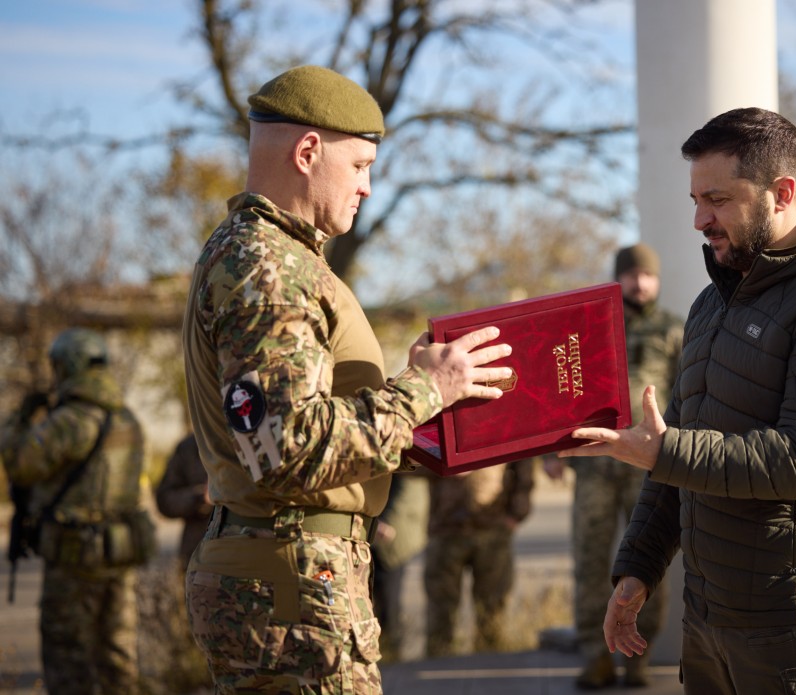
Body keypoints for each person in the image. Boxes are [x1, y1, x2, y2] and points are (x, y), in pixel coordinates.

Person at [181, 64, 513, 694]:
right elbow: (286, 450)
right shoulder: (270, 268)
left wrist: (442, 412)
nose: (366, 188)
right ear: (308, 152)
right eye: (360, 166)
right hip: (293, 583)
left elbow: (303, 432)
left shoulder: (266, 255)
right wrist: (422, 391)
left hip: (291, 572)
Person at [559, 107, 796, 694]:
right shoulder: (711, 305)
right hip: (709, 618)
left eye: (717, 199)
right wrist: (637, 570)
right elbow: (679, 445)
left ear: (782, 193)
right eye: (695, 199)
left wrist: (665, 454)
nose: (699, 220)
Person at [544, 242, 683, 688]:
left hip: (649, 468)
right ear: (618, 278)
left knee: (645, 562)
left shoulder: (676, 331)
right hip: (596, 468)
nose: (640, 283)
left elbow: (686, 399)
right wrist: (552, 451)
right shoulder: (595, 327)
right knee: (589, 557)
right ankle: (595, 655)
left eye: (648, 275)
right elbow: (564, 387)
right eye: (632, 275)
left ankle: (637, 659)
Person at [1, 327, 153, 695]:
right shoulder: (127, 420)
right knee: (117, 657)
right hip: (120, 554)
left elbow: (20, 464)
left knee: (68, 658)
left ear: (68, 367)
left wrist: (18, 419)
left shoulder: (70, 421)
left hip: (74, 560)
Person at [423, 459, 534, 657]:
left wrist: (517, 513)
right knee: (441, 611)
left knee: (492, 610)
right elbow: (408, 461)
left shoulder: (499, 426)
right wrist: (443, 465)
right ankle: (439, 669)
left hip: (493, 528)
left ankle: (489, 670)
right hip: (446, 527)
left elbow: (523, 462)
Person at [371, 471, 429, 662]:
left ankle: (391, 654)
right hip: (381, 533)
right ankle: (387, 651)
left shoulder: (408, 472)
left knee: (389, 603)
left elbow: (408, 492)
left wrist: (383, 523)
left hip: (391, 538)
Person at [155, 431, 213, 570]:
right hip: (198, 559)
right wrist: (200, 497)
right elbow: (165, 500)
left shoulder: (258, 436)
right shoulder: (189, 446)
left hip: (252, 558)